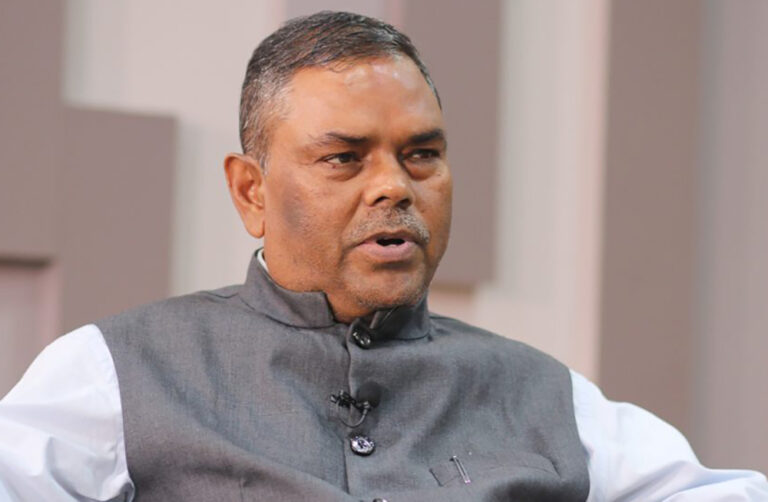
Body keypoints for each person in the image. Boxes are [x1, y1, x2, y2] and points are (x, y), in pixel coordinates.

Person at [0, 11, 766, 502]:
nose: (395, 187)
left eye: (421, 154)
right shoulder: (117, 372)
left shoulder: (548, 397)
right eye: (344, 158)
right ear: (251, 191)